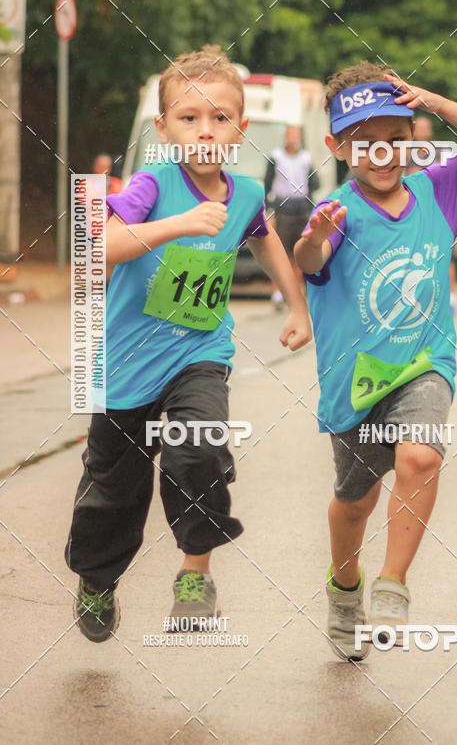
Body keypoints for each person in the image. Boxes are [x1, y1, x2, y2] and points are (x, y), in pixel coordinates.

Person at [65, 46, 312, 642]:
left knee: (198, 447)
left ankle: (194, 573)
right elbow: (95, 253)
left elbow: (264, 239)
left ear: (241, 130)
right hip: (124, 365)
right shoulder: (152, 185)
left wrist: (299, 306)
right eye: (188, 117)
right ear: (163, 128)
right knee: (113, 493)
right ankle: (98, 579)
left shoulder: (249, 193)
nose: (205, 130)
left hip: (198, 352)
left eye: (220, 118)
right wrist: (178, 223)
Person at [294, 62, 457, 661]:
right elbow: (309, 258)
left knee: (419, 453)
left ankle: (393, 583)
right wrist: (313, 238)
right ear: (338, 147)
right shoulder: (337, 212)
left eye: (395, 137)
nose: (382, 153)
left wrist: (433, 99)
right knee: (355, 501)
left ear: (413, 137)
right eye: (365, 142)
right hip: (354, 381)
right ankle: (345, 588)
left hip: (423, 364)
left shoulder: (438, 190)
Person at [406, 115, 457, 313]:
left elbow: (449, 180)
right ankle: (417, 293)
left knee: (446, 251)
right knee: (417, 251)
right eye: (419, 127)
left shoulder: (440, 153)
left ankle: (450, 297)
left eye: (425, 127)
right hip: (415, 210)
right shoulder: (405, 153)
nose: (422, 131)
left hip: (438, 209)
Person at [264, 125, 319, 307]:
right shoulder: (276, 157)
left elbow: (314, 183)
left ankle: (297, 290)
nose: (293, 138)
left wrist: (311, 208)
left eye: (296, 134)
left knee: (299, 253)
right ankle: (277, 292)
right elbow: (267, 184)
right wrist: (269, 211)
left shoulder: (305, 158)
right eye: (290, 134)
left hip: (301, 209)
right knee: (280, 253)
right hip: (282, 209)